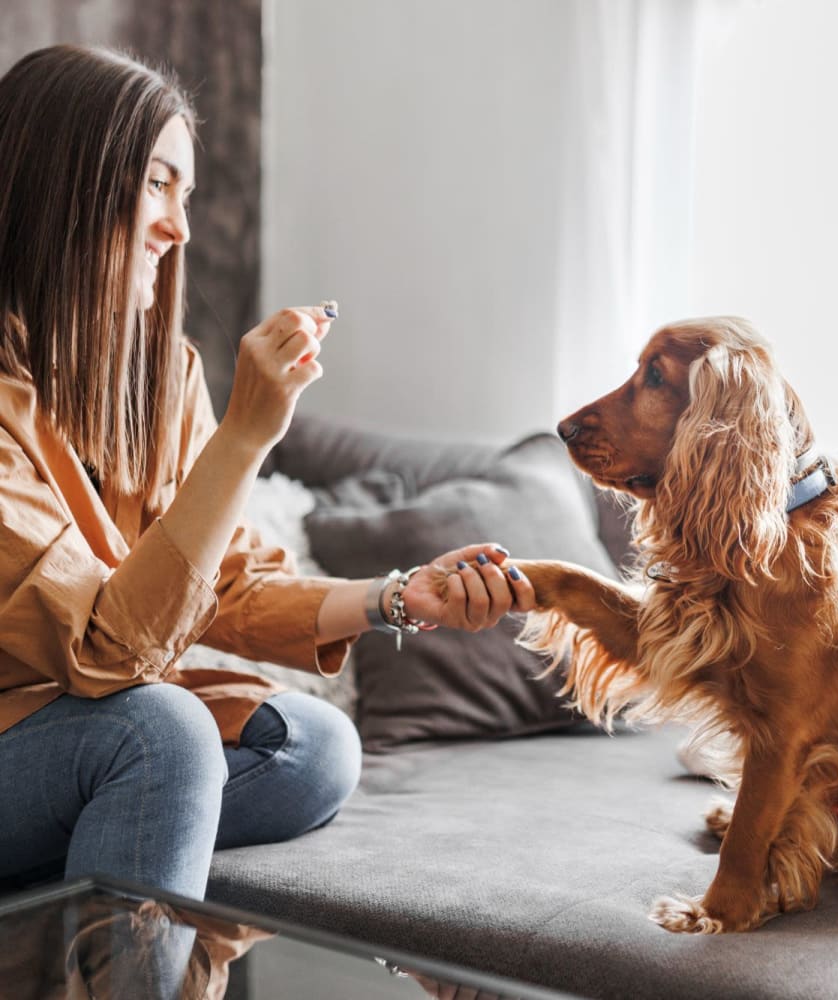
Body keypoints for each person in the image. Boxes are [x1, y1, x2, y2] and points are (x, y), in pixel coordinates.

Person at [0, 44, 535, 905]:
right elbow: (109, 652)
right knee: (160, 732)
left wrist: (402, 596)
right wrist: (246, 435)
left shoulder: (158, 374)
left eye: (188, 195)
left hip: (87, 736)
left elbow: (225, 578)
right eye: (158, 184)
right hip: (27, 732)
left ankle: (85, 865)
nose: (179, 228)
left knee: (313, 747)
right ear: (64, 183)